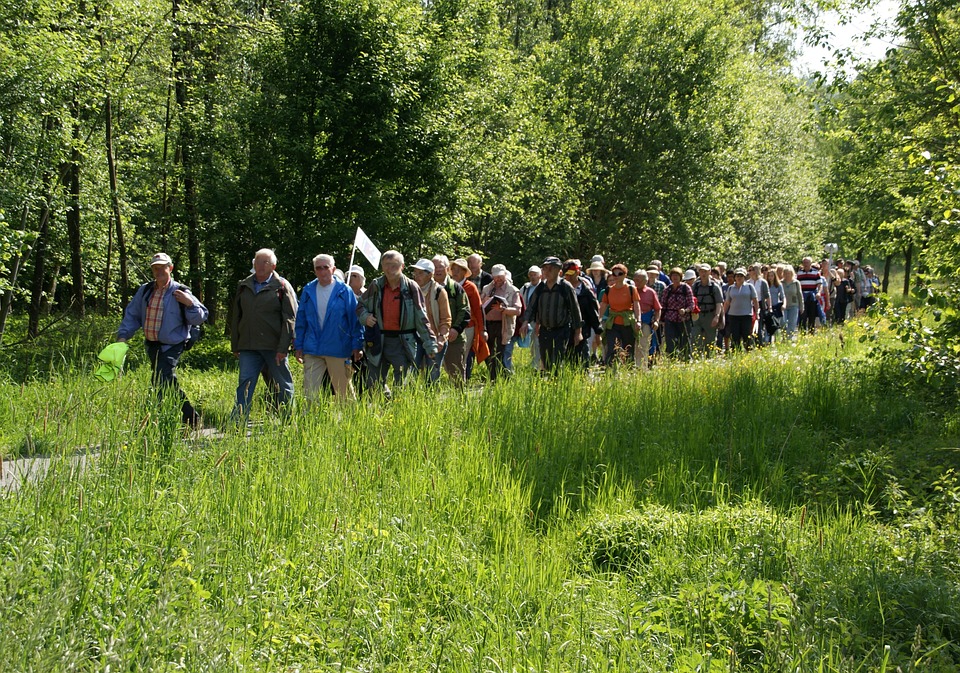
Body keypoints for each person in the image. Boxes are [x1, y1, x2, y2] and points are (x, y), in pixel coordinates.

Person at [117, 252, 208, 427]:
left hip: (173, 344)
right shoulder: (145, 290)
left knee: (160, 378)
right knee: (166, 380)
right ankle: (191, 418)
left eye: (162, 267)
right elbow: (132, 315)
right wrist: (123, 336)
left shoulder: (180, 291)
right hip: (152, 344)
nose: (158, 271)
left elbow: (200, 317)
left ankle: (152, 421)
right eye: (155, 268)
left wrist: (190, 303)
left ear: (170, 268)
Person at [230, 248, 298, 419]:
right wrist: (235, 344)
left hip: (274, 347)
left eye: (264, 262)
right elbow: (236, 316)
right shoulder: (244, 285)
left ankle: (288, 420)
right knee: (245, 384)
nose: (259, 265)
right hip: (248, 346)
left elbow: (290, 319)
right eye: (256, 261)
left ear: (273, 266)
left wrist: (283, 348)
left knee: (283, 384)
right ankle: (238, 421)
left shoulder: (281, 286)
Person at [357, 250, 437, 392]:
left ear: (402, 266)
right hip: (378, 340)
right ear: (382, 266)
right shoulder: (376, 285)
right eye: (386, 265)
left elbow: (421, 317)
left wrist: (430, 344)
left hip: (403, 341)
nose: (390, 268)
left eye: (394, 265)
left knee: (403, 384)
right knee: (373, 384)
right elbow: (360, 306)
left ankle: (398, 411)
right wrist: (366, 317)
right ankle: (382, 409)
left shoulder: (411, 287)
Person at [294, 254, 364, 401]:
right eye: (318, 268)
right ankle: (310, 421)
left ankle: (349, 420)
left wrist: (357, 345)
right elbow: (301, 321)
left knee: (343, 390)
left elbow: (354, 320)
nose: (322, 271)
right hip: (312, 347)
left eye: (325, 267)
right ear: (314, 271)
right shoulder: (308, 290)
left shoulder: (344, 291)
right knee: (310, 391)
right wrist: (298, 345)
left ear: (333, 269)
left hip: (337, 347)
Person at [521, 256, 582, 372]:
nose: (547, 272)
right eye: (545, 269)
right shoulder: (541, 287)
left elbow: (575, 310)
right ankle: (550, 383)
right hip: (544, 330)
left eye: (551, 269)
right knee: (545, 359)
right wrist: (525, 322)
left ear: (558, 271)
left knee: (558, 359)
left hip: (561, 329)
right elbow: (532, 306)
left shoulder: (565, 287)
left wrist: (578, 332)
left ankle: (557, 383)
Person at [432, 255, 471, 384]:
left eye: (440, 267)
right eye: (434, 267)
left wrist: (455, 329)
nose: (437, 270)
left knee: (456, 374)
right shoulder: (425, 288)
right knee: (429, 373)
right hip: (431, 338)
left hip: (454, 338)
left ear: (447, 268)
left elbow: (465, 311)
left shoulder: (455, 288)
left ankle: (460, 402)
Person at [480, 264, 523, 381]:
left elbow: (518, 310)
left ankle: (499, 379)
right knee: (487, 353)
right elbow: (480, 306)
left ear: (505, 275)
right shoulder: (487, 288)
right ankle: (493, 375)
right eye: (495, 277)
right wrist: (484, 301)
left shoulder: (513, 290)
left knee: (500, 353)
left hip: (503, 325)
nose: (498, 279)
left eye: (500, 276)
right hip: (487, 325)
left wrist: (503, 309)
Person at [412, 258, 451, 382]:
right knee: (410, 373)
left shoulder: (439, 291)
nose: (416, 276)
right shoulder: (410, 290)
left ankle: (431, 400)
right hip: (414, 339)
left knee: (432, 375)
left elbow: (446, 319)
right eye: (415, 273)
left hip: (434, 339)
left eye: (420, 273)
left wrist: (441, 338)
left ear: (430, 275)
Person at [450, 257, 486, 379]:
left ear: (465, 272)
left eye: (459, 270)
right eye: (453, 269)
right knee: (451, 356)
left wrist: (482, 329)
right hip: (450, 327)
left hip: (468, 327)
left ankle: (462, 382)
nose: (455, 272)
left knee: (463, 356)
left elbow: (478, 309)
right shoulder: (448, 286)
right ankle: (454, 380)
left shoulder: (471, 287)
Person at [598, 263, 640, 366]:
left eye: (619, 273)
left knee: (628, 349)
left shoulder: (631, 289)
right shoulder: (608, 290)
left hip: (627, 322)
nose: (616, 276)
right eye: (614, 274)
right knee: (612, 348)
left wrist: (638, 321)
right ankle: (610, 371)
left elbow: (636, 305)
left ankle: (629, 371)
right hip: (612, 323)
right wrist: (598, 320)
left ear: (625, 275)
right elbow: (603, 305)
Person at [564, 259, 602, 369]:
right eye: (567, 274)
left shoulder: (586, 291)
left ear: (578, 272)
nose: (569, 277)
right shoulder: (561, 289)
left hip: (583, 331)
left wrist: (598, 332)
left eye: (571, 274)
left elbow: (593, 312)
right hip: (564, 331)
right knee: (565, 361)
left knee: (583, 360)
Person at [661, 267, 695, 358]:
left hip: (683, 319)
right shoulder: (667, 289)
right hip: (670, 319)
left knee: (685, 341)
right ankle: (672, 358)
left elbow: (692, 304)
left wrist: (685, 310)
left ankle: (686, 358)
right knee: (670, 341)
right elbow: (663, 305)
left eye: (677, 276)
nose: (675, 277)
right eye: (673, 276)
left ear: (681, 277)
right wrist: (661, 318)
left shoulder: (686, 288)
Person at [690, 263, 724, 356]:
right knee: (695, 338)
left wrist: (717, 317)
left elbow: (719, 303)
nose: (703, 274)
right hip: (697, 316)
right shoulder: (695, 286)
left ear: (709, 272)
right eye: (701, 271)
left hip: (710, 315)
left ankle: (710, 359)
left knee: (710, 340)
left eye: (705, 271)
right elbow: (691, 300)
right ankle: (696, 358)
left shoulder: (715, 286)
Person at [723, 267, 759, 350]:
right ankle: (736, 353)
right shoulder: (731, 288)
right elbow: (727, 302)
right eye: (737, 276)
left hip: (746, 315)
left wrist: (757, 312)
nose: (739, 278)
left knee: (747, 335)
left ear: (744, 277)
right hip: (733, 315)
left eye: (741, 276)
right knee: (735, 336)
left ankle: (748, 352)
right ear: (735, 277)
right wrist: (723, 314)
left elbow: (755, 300)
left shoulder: (749, 287)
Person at [632, 270, 661, 370]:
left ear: (646, 281)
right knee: (630, 346)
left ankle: (642, 368)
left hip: (645, 322)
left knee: (643, 345)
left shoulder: (650, 292)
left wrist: (656, 321)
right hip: (630, 322)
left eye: (639, 280)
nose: (637, 282)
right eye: (635, 280)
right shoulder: (630, 290)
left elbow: (657, 309)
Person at [520, 265, 543, 369]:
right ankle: (535, 363)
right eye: (531, 275)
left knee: (538, 342)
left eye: (535, 275)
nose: (533, 277)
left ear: (540, 276)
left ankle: (537, 365)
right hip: (527, 319)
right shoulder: (525, 288)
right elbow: (520, 300)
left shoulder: (543, 287)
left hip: (538, 319)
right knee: (532, 343)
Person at [797, 257, 822, 333]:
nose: (806, 264)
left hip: (812, 296)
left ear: (810, 263)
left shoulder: (816, 272)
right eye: (804, 262)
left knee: (812, 315)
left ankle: (812, 331)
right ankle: (803, 332)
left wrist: (819, 293)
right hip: (802, 296)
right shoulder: (799, 273)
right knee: (803, 315)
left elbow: (820, 284)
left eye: (807, 262)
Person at [780, 264, 803, 339]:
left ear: (792, 273)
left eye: (789, 273)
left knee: (792, 323)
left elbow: (800, 295)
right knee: (783, 322)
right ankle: (784, 336)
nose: (787, 275)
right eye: (786, 273)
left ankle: (789, 338)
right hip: (783, 306)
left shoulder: (796, 283)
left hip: (794, 305)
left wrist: (801, 306)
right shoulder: (781, 283)